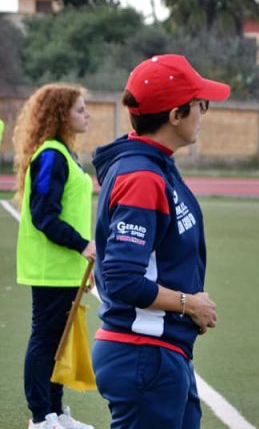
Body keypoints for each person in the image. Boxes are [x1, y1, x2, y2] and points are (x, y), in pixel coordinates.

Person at [90, 54, 227, 429]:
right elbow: (122, 279)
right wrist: (188, 304)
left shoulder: (156, 165)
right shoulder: (142, 177)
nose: (204, 113)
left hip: (161, 353)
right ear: (175, 115)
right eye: (200, 104)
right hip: (143, 354)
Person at [13, 83, 95, 429]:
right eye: (80, 109)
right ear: (61, 114)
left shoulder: (64, 153)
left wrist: (81, 259)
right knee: (45, 340)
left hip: (67, 267)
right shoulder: (51, 155)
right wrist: (82, 244)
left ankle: (56, 413)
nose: (87, 115)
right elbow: (44, 215)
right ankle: (40, 418)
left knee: (59, 343)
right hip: (51, 267)